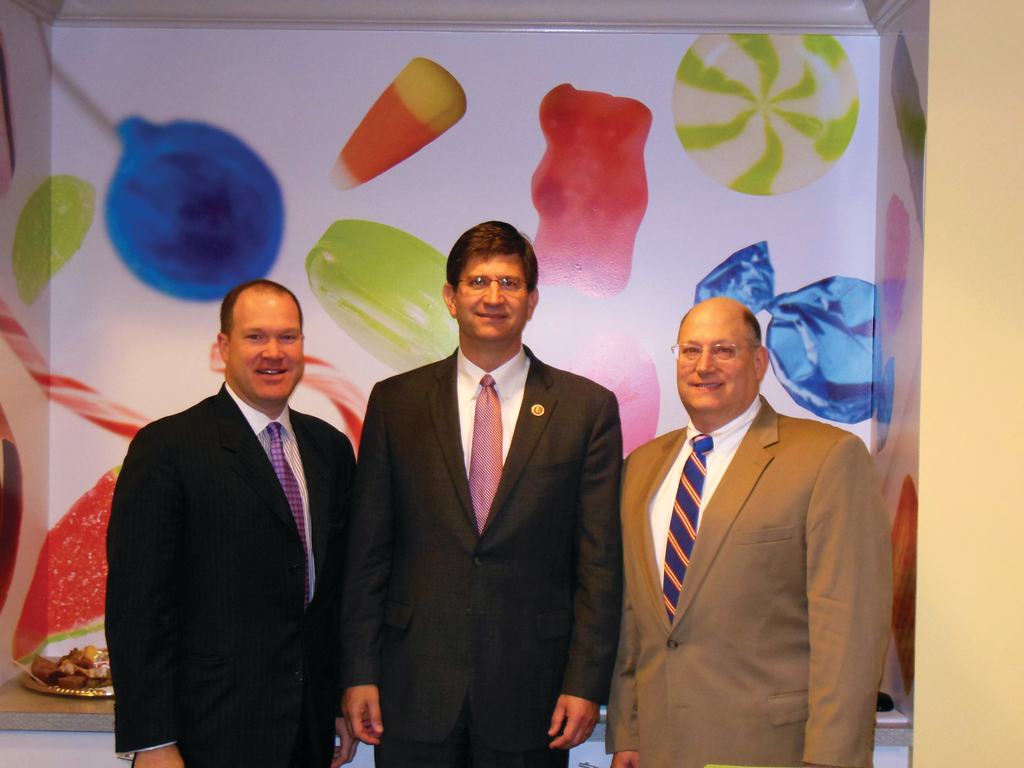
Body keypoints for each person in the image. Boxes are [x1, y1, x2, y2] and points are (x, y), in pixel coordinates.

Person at [341, 221, 624, 767]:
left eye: (510, 283)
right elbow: (368, 553)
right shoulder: (395, 403)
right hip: (411, 689)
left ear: (532, 300)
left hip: (534, 693)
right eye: (478, 282)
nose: (494, 297)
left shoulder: (586, 409)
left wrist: (586, 682)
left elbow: (599, 565)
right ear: (451, 298)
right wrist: (358, 672)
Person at [606, 296, 892, 768]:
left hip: (774, 749)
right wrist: (628, 732)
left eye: (724, 350)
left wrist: (832, 756)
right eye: (690, 350)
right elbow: (634, 619)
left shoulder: (827, 458)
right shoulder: (641, 468)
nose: (704, 365)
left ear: (759, 362)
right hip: (659, 747)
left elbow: (850, 628)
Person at [106, 279, 358, 768]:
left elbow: (334, 595)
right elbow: (137, 607)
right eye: (255, 336)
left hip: (306, 731)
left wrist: (336, 700)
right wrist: (152, 741)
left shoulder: (330, 448)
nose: (274, 352)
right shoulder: (167, 448)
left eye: (287, 337)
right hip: (206, 731)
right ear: (223, 346)